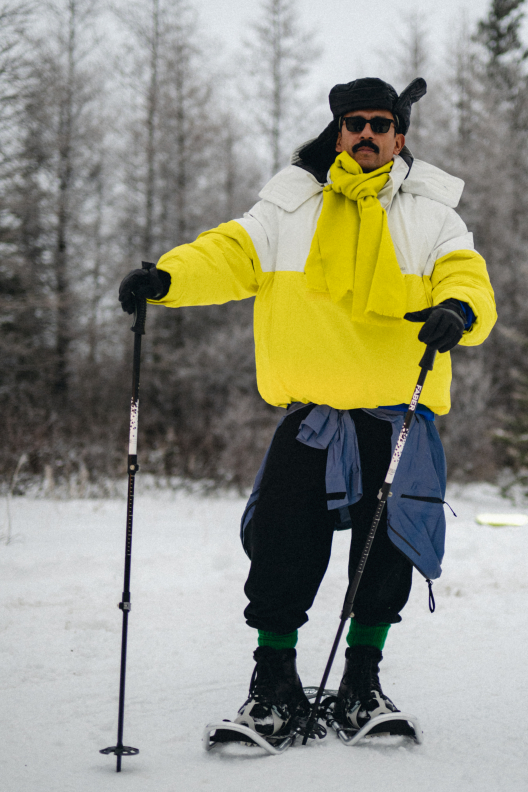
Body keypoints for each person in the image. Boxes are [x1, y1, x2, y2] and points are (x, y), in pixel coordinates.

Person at [118, 76, 496, 741]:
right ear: (340, 133)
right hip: (312, 418)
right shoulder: (291, 209)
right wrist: (168, 278)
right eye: (356, 124)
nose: (369, 134)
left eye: (382, 123)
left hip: (394, 416)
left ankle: (361, 683)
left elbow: (465, 273)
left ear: (399, 135)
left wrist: (458, 309)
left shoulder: (434, 214)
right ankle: (274, 685)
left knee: (385, 556)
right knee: (283, 546)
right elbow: (229, 253)